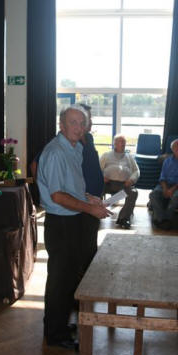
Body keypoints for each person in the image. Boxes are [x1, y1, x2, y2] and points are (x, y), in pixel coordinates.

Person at [37, 105, 111, 350]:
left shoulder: (75, 147)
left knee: (68, 279)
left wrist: (88, 197)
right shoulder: (56, 152)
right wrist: (90, 209)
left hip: (73, 220)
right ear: (62, 125)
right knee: (60, 280)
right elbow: (57, 196)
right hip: (61, 224)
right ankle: (55, 335)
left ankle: (58, 324)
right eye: (73, 122)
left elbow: (71, 188)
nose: (78, 127)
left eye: (82, 123)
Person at [79, 103, 104, 277]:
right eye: (87, 119)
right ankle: (77, 297)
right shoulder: (67, 142)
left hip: (94, 202)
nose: (90, 123)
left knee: (90, 246)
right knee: (80, 250)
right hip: (81, 204)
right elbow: (36, 165)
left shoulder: (88, 138)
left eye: (90, 119)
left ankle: (88, 285)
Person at [149, 138, 178, 230]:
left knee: (176, 197)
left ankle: (163, 219)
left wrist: (172, 190)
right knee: (153, 195)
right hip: (165, 185)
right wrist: (165, 189)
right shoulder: (167, 161)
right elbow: (162, 177)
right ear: (172, 149)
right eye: (176, 147)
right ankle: (163, 220)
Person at [100, 134, 140, 229]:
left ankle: (123, 218)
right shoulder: (106, 155)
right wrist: (102, 177)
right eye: (120, 142)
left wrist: (131, 179)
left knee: (133, 192)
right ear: (114, 144)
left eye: (124, 142)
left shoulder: (129, 157)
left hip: (124, 184)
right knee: (96, 189)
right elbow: (97, 169)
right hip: (107, 183)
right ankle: (97, 212)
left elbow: (137, 171)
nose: (123, 144)